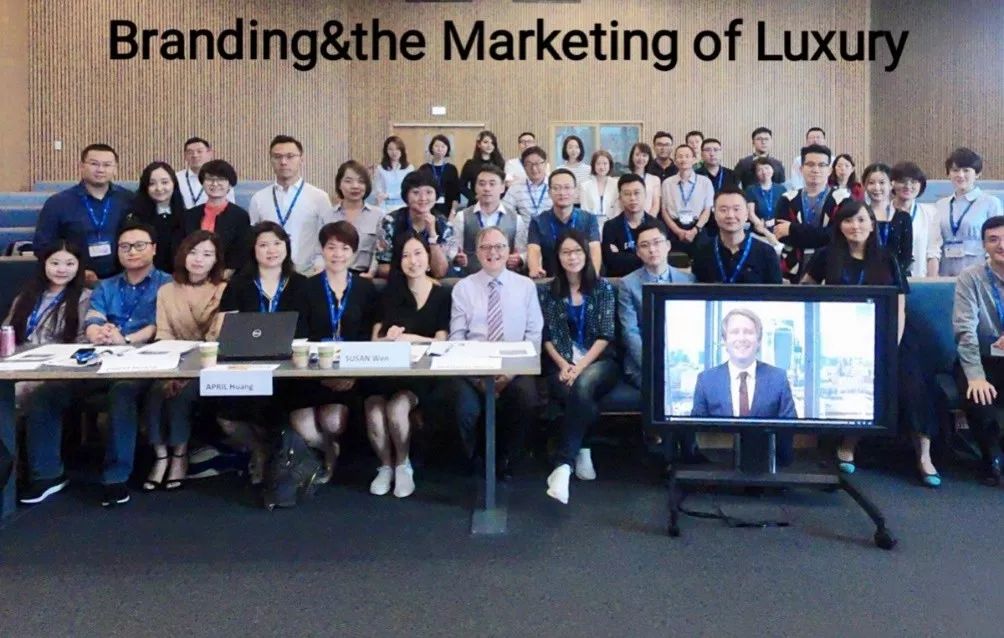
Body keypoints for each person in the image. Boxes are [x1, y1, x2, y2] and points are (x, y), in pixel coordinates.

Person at [20, 221, 170, 508]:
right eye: (125, 246)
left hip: (144, 364)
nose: (132, 251)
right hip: (99, 361)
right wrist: (97, 333)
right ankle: (47, 475)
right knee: (47, 394)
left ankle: (115, 478)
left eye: (139, 245)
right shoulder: (106, 285)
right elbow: (93, 317)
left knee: (122, 392)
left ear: (154, 249)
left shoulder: (167, 284)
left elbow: (157, 324)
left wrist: (126, 339)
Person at [801, 200, 920, 480]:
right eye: (848, 220)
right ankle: (848, 444)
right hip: (839, 336)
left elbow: (899, 304)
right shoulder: (825, 255)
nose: (855, 226)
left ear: (872, 225)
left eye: (862, 220)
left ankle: (923, 455)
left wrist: (891, 344)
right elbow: (805, 289)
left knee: (912, 378)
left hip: (884, 334)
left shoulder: (887, 257)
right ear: (839, 226)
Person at [211, 222, 310, 484]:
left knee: (282, 408)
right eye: (263, 245)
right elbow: (226, 327)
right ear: (253, 250)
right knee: (227, 416)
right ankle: (260, 449)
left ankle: (280, 458)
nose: (271, 250)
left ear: (287, 247)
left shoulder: (302, 285)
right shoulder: (239, 284)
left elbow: (309, 329)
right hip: (247, 366)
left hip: (290, 367)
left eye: (277, 243)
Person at [447, 226, 543, 479]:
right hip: (472, 368)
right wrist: (477, 378)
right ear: (476, 252)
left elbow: (533, 335)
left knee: (526, 399)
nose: (493, 252)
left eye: (499, 246)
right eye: (486, 247)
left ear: (509, 250)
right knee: (464, 407)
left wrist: (509, 375)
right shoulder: (463, 288)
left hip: (515, 367)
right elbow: (456, 338)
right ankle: (472, 458)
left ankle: (506, 459)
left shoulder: (525, 286)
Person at [364, 232, 450, 498]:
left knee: (397, 407)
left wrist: (410, 338)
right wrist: (389, 340)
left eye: (418, 253)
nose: (413, 261)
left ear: (428, 257)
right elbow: (374, 340)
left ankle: (403, 465)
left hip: (421, 374)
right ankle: (385, 466)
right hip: (387, 370)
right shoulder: (388, 295)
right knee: (374, 410)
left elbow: (442, 341)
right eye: (405, 255)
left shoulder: (441, 294)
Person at [293, 221, 379, 481]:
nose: (337, 254)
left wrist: (352, 373)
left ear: (354, 252)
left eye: (345, 248)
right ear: (322, 250)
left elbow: (368, 337)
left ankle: (330, 457)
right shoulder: (306, 288)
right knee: (305, 428)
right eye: (331, 247)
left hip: (351, 374)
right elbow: (300, 336)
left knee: (333, 421)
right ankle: (327, 450)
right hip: (311, 374)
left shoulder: (365, 289)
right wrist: (320, 374)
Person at [539, 229, 619, 504]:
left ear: (586, 254)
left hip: (600, 362)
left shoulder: (603, 288)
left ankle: (563, 464)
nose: (572, 257)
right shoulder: (548, 292)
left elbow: (606, 335)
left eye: (577, 251)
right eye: (566, 252)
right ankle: (583, 448)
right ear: (558, 257)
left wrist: (580, 366)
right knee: (580, 396)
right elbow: (546, 337)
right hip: (560, 364)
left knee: (583, 384)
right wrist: (564, 364)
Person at [144, 230, 227, 492]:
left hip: (207, 365)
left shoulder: (223, 290)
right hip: (171, 361)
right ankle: (160, 457)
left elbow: (216, 337)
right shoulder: (167, 290)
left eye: (207, 254)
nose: (199, 259)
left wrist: (186, 374)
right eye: (193, 252)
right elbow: (164, 333)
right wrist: (172, 372)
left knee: (181, 395)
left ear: (216, 260)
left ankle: (179, 455)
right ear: (183, 255)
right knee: (156, 391)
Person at [617, 222, 703, 462]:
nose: (652, 250)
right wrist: (653, 364)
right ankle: (667, 455)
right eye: (645, 245)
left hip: (680, 359)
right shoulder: (628, 284)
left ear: (668, 245)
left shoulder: (688, 280)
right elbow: (630, 332)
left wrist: (682, 360)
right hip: (643, 362)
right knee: (663, 386)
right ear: (638, 252)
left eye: (657, 243)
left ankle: (689, 448)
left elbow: (692, 326)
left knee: (690, 382)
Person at [690, 309, 797, 466]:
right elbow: (696, 433)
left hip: (768, 467)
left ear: (759, 340)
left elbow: (790, 431)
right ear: (724, 340)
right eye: (735, 332)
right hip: (717, 467)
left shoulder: (778, 378)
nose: (741, 338)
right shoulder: (706, 380)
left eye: (748, 332)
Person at [2, 242, 90, 414]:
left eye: (70, 264)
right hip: (16, 366)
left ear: (79, 266)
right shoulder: (27, 295)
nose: (62, 269)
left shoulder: (84, 298)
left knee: (16, 394)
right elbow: (6, 331)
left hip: (54, 372)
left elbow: (83, 342)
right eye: (55, 263)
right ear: (44, 264)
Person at [33, 143, 134, 283]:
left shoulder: (128, 199)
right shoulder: (58, 203)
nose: (100, 169)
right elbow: (42, 246)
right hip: (73, 281)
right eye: (94, 164)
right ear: (81, 166)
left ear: (115, 168)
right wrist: (76, 272)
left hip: (122, 279)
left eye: (107, 165)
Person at [953, 216, 1004, 486]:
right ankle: (991, 458)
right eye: (993, 240)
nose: (1001, 245)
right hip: (980, 358)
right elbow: (965, 330)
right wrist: (975, 375)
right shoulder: (970, 278)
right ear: (984, 245)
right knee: (979, 396)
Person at [247, 135, 333, 276]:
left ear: (301, 160)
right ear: (271, 160)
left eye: (290, 156)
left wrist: (320, 264)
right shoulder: (259, 198)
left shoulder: (319, 197)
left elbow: (328, 237)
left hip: (308, 272)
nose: (283, 162)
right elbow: (253, 239)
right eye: (277, 157)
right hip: (269, 273)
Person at [772, 144, 847, 282]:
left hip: (830, 268)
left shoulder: (842, 199)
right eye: (810, 164)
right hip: (793, 269)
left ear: (830, 170)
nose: (816, 170)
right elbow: (780, 235)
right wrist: (821, 235)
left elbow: (838, 236)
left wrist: (793, 229)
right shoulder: (787, 199)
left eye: (822, 165)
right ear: (801, 169)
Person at [928, 147, 1004, 277]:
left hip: (980, 276)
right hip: (946, 274)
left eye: (966, 170)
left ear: (977, 174)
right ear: (948, 174)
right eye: (955, 170)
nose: (960, 175)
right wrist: (933, 280)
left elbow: (996, 242)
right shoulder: (941, 205)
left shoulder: (990, 203)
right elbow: (934, 246)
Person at [691, 188, 783, 285]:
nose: (730, 215)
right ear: (714, 214)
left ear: (747, 214)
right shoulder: (702, 253)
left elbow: (777, 292)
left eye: (736, 209)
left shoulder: (767, 253)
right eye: (723, 210)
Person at [448, 164, 527, 276]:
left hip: (506, 278)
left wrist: (520, 259)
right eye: (482, 184)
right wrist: (456, 258)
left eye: (492, 184)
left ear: (502, 187)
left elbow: (523, 251)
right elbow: (453, 249)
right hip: (471, 278)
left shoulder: (516, 219)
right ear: (475, 187)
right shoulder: (462, 217)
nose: (486, 188)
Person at [181, 159, 251, 276]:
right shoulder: (189, 215)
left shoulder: (240, 216)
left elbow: (241, 253)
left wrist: (222, 277)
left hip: (226, 278)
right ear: (202, 183)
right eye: (209, 179)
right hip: (192, 274)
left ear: (230, 184)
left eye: (221, 179)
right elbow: (182, 248)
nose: (214, 184)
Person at [375, 170, 451, 278]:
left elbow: (440, 272)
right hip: (399, 282)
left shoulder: (445, 225)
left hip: (434, 283)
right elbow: (383, 267)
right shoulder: (390, 222)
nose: (423, 198)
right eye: (416, 193)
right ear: (406, 196)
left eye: (429, 192)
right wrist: (416, 276)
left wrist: (433, 235)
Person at [527, 169, 601, 278]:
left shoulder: (588, 219)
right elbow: (533, 249)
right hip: (551, 279)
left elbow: (594, 248)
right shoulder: (538, 221)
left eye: (567, 187)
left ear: (575, 191)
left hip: (582, 280)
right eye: (556, 188)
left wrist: (593, 275)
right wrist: (534, 269)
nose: (562, 193)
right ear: (549, 192)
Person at [123, 161, 186, 274]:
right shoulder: (135, 218)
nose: (159, 188)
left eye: (164, 182)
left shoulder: (187, 215)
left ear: (174, 184)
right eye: (152, 184)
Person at [601, 174, 668, 278]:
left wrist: (622, 256)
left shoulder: (657, 226)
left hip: (651, 280)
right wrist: (645, 257)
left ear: (645, 195)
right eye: (627, 194)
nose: (632, 198)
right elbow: (611, 262)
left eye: (637, 193)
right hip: (620, 280)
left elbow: (660, 259)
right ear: (620, 198)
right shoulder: (610, 226)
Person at [330, 160, 384, 277]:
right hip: (332, 275)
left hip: (363, 276)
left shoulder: (378, 215)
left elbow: (378, 251)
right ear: (339, 184)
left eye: (361, 181)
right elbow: (319, 250)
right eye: (348, 181)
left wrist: (371, 273)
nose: (355, 186)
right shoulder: (328, 215)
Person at [661, 144, 714, 257]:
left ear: (694, 159)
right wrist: (677, 231)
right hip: (674, 228)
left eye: (687, 156)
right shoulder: (667, 183)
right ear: (675, 161)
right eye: (680, 156)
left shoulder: (705, 182)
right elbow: (664, 210)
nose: (683, 159)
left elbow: (707, 210)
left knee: (702, 259)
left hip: (698, 227)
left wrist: (695, 230)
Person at [862, 163, 912, 277]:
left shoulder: (903, 217)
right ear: (864, 185)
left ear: (891, 184)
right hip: (864, 279)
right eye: (871, 183)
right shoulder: (859, 217)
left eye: (882, 182)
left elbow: (906, 255)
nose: (877, 188)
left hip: (896, 278)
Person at [891, 161, 937, 278]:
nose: (908, 186)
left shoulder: (930, 213)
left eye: (913, 182)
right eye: (902, 181)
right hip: (889, 280)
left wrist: (932, 282)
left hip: (920, 279)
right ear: (892, 183)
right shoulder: (884, 212)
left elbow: (933, 252)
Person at [176, 137, 235, 209]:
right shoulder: (176, 178)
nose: (195, 155)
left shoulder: (223, 178)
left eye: (199, 151)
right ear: (185, 156)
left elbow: (230, 206)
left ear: (209, 153)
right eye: (190, 152)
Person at [502, 145, 553, 220]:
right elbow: (505, 210)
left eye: (538, 163)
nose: (534, 168)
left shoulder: (554, 185)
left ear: (545, 164)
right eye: (529, 164)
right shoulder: (516, 187)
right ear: (524, 167)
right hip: (526, 227)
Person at [744, 157, 786, 244]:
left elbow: (785, 211)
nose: (764, 172)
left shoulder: (782, 189)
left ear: (773, 170)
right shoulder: (751, 189)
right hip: (758, 233)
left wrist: (772, 223)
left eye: (767, 168)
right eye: (760, 170)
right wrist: (761, 225)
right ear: (756, 173)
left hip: (778, 232)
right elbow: (750, 213)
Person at [418, 134, 461, 217]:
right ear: (431, 148)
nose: (439, 149)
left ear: (447, 149)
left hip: (447, 210)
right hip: (427, 210)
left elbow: (456, 195)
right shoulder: (424, 168)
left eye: (443, 146)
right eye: (436, 146)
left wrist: (452, 213)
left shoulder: (451, 169)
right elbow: (420, 191)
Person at [459, 130, 506, 204]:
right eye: (485, 142)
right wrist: (474, 197)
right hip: (475, 202)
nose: (489, 145)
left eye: (492, 143)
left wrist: (498, 196)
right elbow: (461, 185)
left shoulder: (499, 163)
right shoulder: (470, 164)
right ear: (479, 144)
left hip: (495, 202)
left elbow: (504, 184)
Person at [373, 136, 414, 211]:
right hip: (385, 208)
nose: (394, 152)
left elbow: (409, 190)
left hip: (404, 207)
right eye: (390, 149)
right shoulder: (380, 168)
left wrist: (388, 195)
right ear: (386, 151)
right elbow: (378, 191)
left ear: (402, 150)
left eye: (397, 149)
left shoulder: (409, 168)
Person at [579, 150, 619, 221]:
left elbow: (618, 209)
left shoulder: (616, 184)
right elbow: (584, 211)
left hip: (613, 223)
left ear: (610, 165)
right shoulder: (585, 186)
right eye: (598, 163)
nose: (602, 167)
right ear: (593, 165)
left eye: (605, 163)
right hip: (591, 224)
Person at [627, 142, 663, 218]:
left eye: (644, 155)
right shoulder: (625, 178)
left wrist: (647, 221)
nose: (641, 158)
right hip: (629, 220)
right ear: (632, 157)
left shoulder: (655, 179)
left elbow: (656, 205)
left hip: (649, 221)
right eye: (637, 155)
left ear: (649, 158)